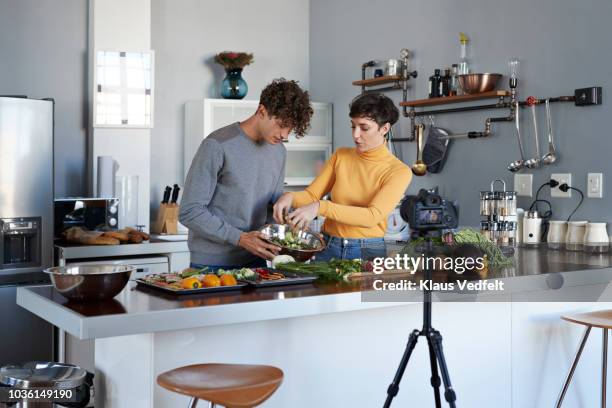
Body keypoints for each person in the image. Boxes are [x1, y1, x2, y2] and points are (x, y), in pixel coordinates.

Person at [180, 79, 313, 271]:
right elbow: (189, 211)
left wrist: (290, 225)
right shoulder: (218, 145)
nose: (284, 134)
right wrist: (240, 238)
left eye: (290, 128)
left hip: (257, 260)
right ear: (261, 111)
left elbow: (271, 211)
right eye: (281, 124)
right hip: (211, 263)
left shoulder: (279, 151)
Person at [273, 93, 412, 261]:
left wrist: (320, 207)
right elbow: (311, 195)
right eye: (353, 126)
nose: (355, 135)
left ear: (384, 128)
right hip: (328, 245)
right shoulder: (341, 155)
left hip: (366, 251)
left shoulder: (398, 171)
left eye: (364, 127)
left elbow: (371, 216)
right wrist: (289, 197)